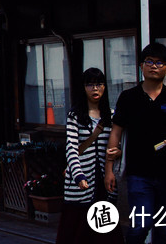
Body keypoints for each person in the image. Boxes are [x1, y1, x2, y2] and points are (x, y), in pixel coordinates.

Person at [105, 43, 166, 244]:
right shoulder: (128, 97)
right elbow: (115, 133)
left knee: (165, 231)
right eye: (149, 61)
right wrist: (109, 170)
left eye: (160, 62)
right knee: (141, 225)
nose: (154, 66)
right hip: (139, 174)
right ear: (141, 65)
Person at [56, 68, 122, 244]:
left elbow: (117, 144)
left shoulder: (112, 115)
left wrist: (119, 152)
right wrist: (78, 175)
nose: (95, 89)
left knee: (105, 228)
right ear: (83, 88)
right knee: (77, 230)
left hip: (103, 180)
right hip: (80, 183)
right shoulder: (75, 115)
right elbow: (71, 147)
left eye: (99, 84)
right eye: (90, 84)